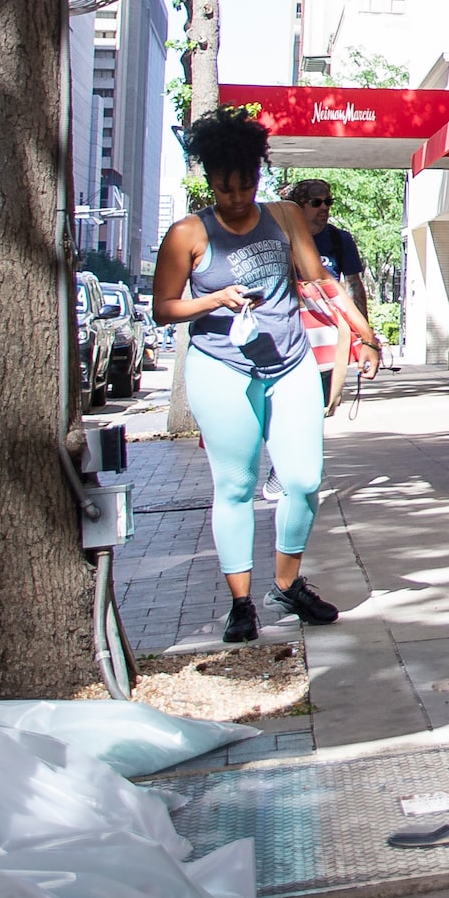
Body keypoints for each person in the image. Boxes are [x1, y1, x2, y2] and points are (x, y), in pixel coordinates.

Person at [149, 112, 345, 643]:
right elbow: (163, 309)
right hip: (222, 366)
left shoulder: (282, 216)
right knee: (235, 486)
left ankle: (286, 584)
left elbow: (319, 277)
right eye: (224, 187)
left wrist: (362, 331)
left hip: (289, 361)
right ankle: (241, 603)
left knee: (303, 480)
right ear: (209, 181)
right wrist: (215, 298)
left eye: (246, 185)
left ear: (259, 177)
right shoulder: (189, 232)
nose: (237, 197)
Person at [282, 179, 385, 408]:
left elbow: (353, 287)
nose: (324, 207)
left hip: (326, 335)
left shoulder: (340, 239)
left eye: (328, 202)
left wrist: (364, 338)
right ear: (298, 206)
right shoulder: (280, 238)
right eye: (316, 202)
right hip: (288, 331)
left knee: (320, 404)